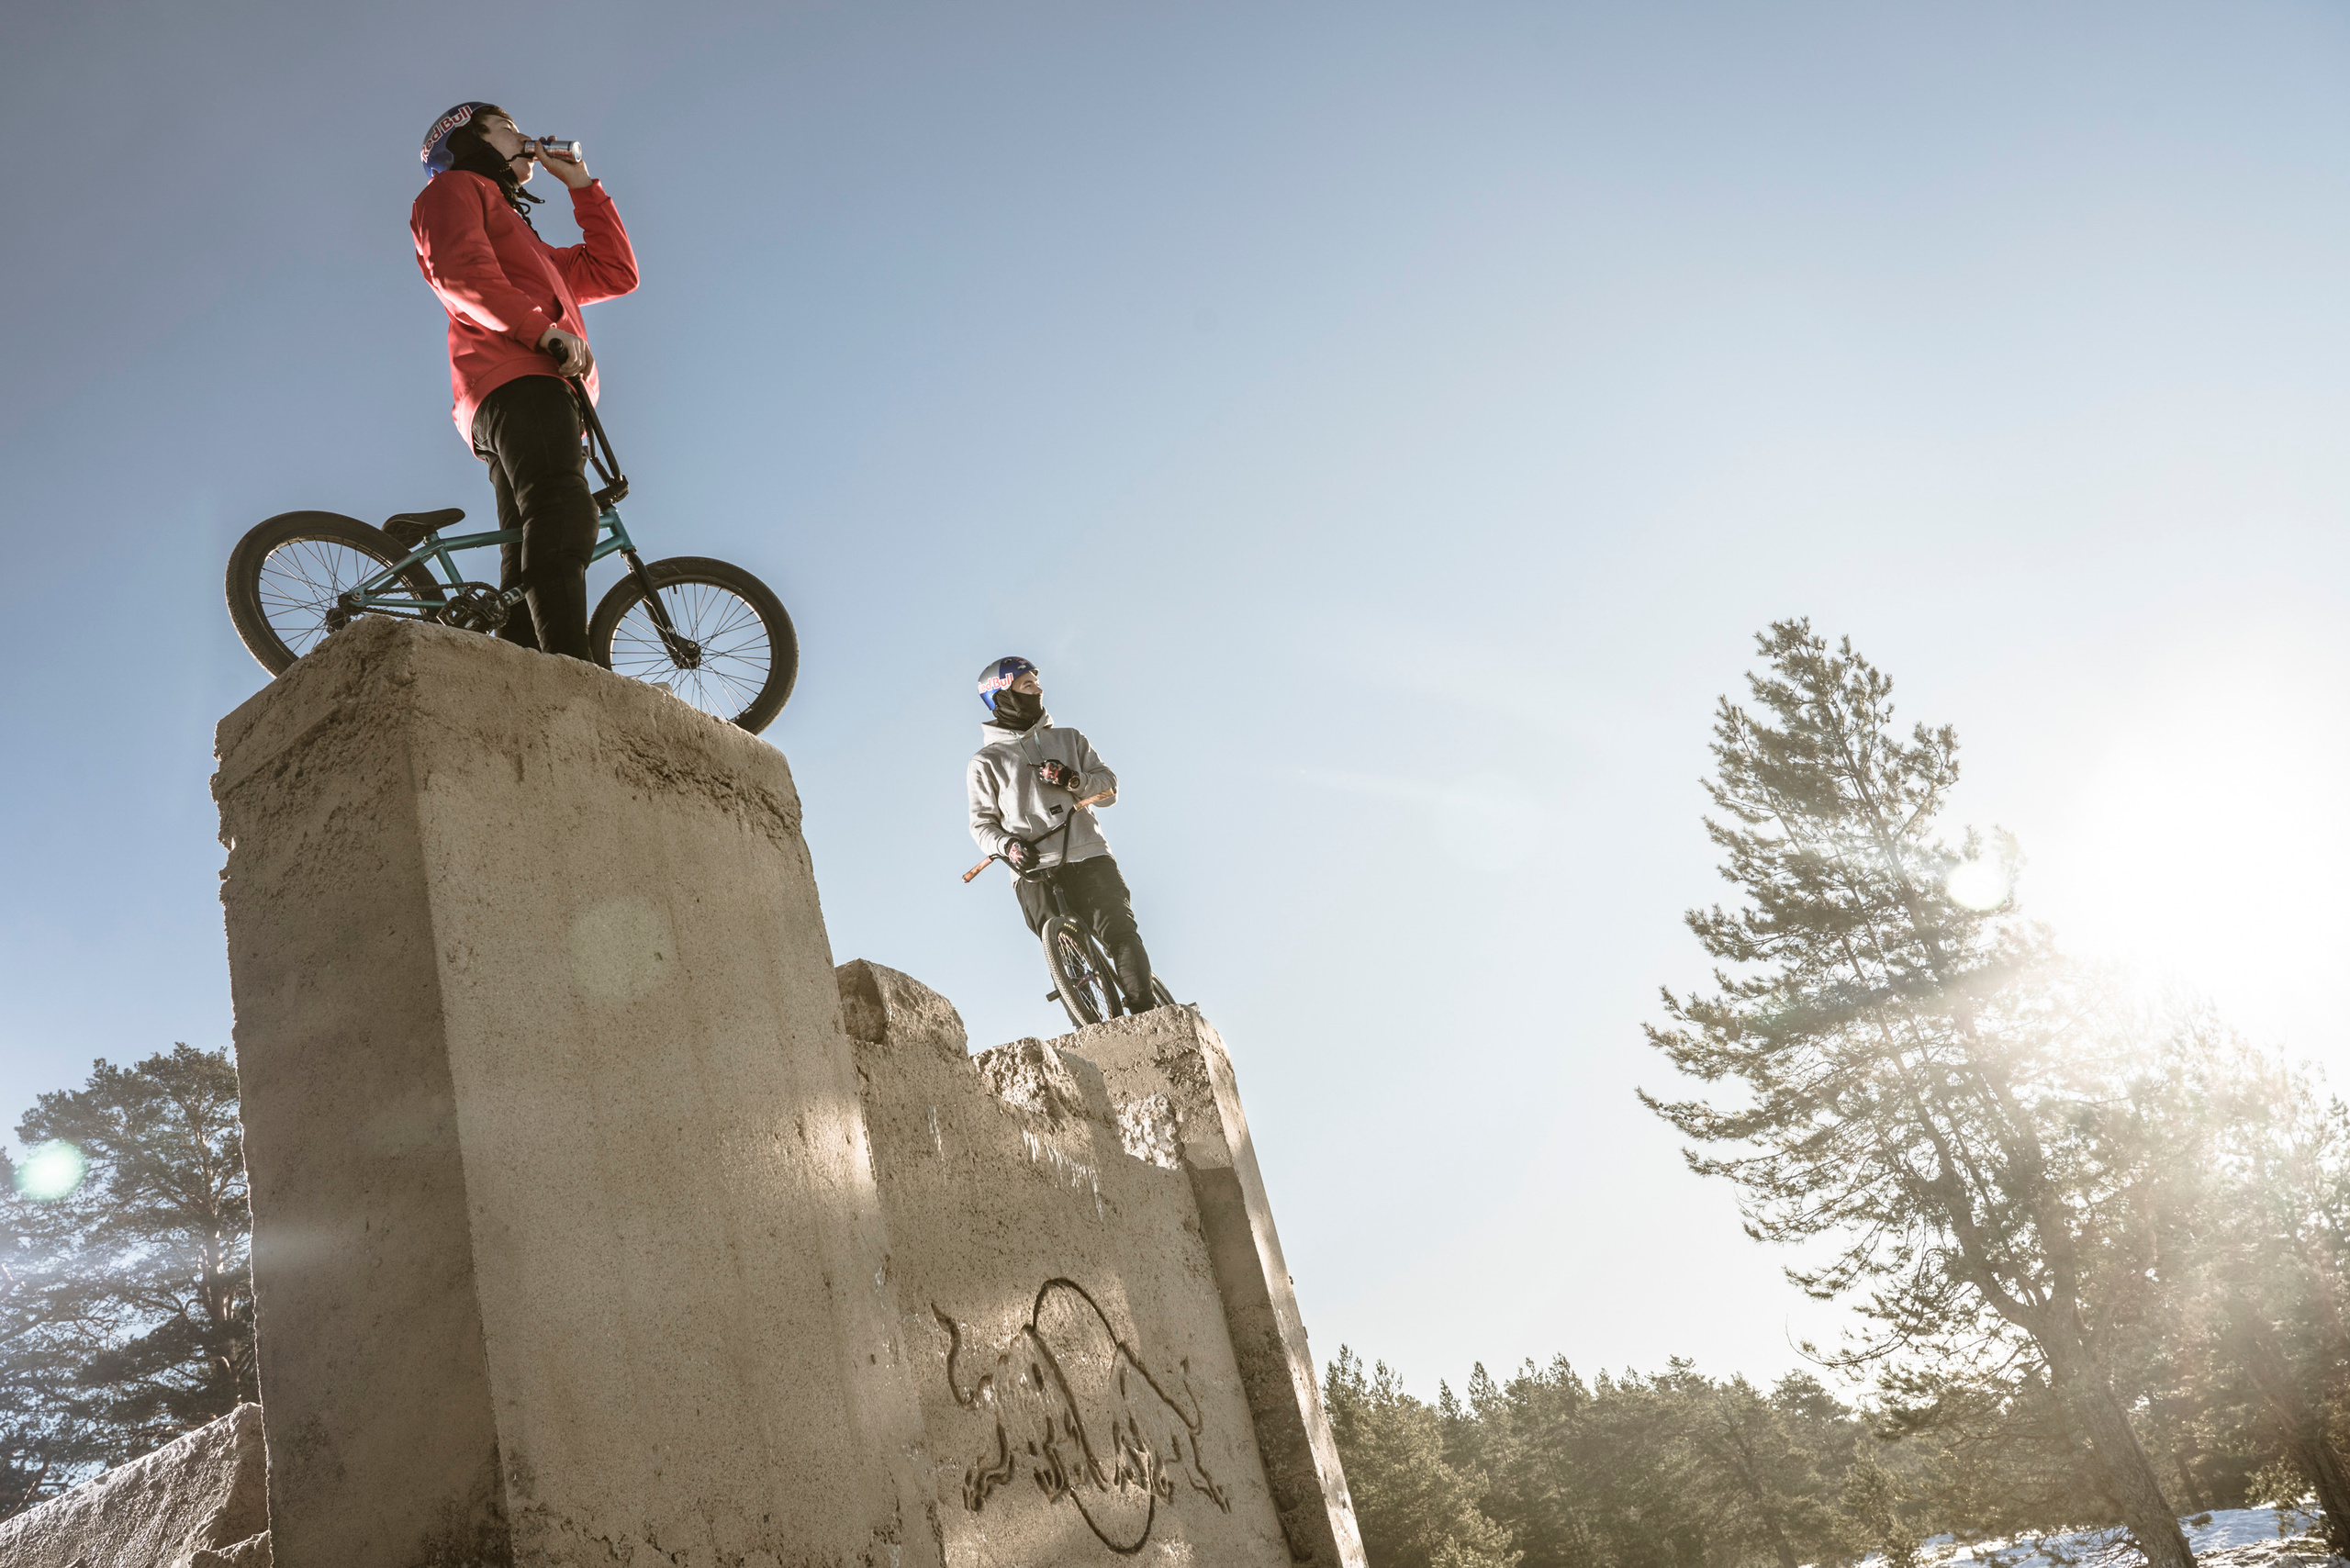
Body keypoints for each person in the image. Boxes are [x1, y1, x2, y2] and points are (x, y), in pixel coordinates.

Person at [408, 103, 639, 659]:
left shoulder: (531, 245)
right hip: (515, 378)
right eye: (506, 127)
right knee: (562, 504)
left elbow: (615, 272)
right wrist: (543, 334)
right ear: (471, 142)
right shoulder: (454, 188)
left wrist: (581, 183)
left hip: (538, 388)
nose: (524, 135)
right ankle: (570, 664)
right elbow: (460, 273)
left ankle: (524, 663)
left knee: (527, 539)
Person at [968, 656, 1161, 1014]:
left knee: (1119, 932)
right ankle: (1089, 1023)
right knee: (1067, 954)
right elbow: (982, 824)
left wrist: (1073, 780)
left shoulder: (1070, 738)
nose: (1038, 690)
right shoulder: (985, 762)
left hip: (1088, 855)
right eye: (1027, 686)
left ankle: (1147, 1012)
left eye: (1037, 684)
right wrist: (1007, 846)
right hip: (1031, 870)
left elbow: (1109, 790)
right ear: (1002, 696)